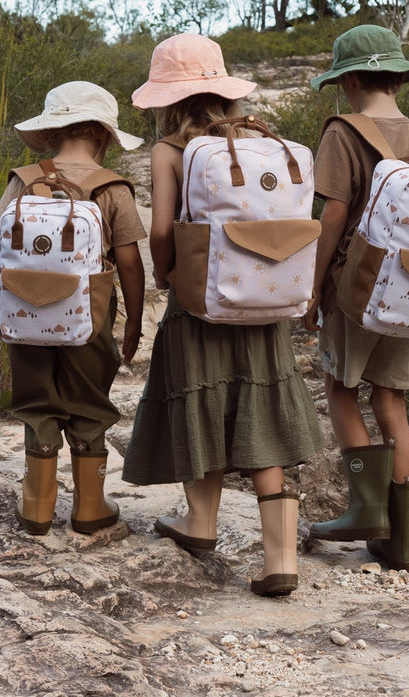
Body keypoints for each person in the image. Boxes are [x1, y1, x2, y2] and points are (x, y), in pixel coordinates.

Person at [121, 33, 324, 598]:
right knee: (260, 408)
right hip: (265, 299)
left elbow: (163, 231)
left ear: (169, 97)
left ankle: (201, 524)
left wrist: (169, 276)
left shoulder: (170, 150)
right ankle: (281, 558)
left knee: (200, 401)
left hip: (202, 302)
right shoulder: (265, 141)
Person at [0, 81, 146, 536]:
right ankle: (90, 507)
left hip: (24, 313)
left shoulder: (24, 180)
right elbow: (129, 263)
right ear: (102, 132)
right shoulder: (112, 188)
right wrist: (133, 321)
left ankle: (37, 506)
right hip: (89, 321)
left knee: (37, 402)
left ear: (54, 130)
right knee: (89, 402)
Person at [302, 24, 409, 571]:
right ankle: (400, 542)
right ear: (397, 79)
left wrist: (312, 286)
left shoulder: (342, 133)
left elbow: (332, 216)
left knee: (339, 389)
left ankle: (365, 510)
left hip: (356, 288)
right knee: (392, 403)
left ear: (351, 79)